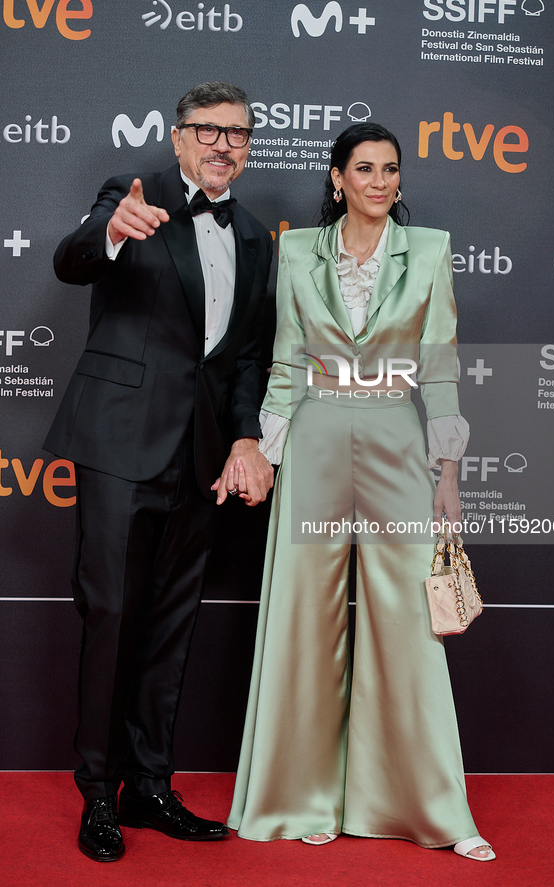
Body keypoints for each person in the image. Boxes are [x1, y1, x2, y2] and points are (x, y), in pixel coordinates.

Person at [227, 123, 495, 862]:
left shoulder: (430, 250)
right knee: (301, 618)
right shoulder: (296, 250)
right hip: (313, 436)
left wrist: (446, 472)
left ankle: (433, 809)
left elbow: (438, 368)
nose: (380, 181)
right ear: (337, 178)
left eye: (390, 170)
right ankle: (302, 797)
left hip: (392, 437)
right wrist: (269, 457)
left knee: (408, 620)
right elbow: (284, 361)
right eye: (364, 169)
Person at [44, 81, 274, 862]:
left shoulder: (251, 237)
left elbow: (246, 359)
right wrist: (110, 230)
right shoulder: (128, 197)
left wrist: (246, 438)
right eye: (207, 130)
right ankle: (97, 792)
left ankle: (148, 784)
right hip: (120, 445)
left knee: (172, 625)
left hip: (203, 458)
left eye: (237, 133)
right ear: (178, 139)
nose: (223, 144)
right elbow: (71, 260)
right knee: (112, 614)